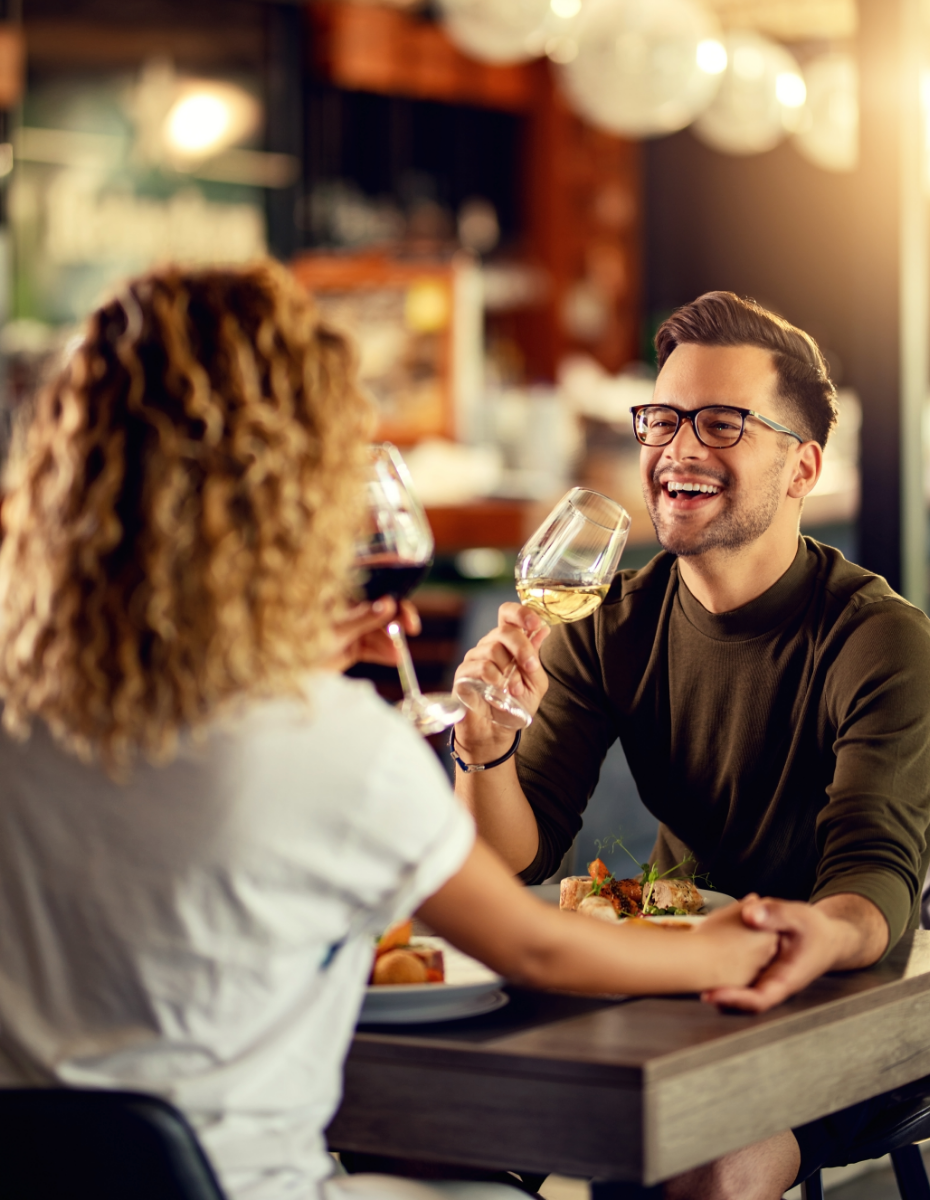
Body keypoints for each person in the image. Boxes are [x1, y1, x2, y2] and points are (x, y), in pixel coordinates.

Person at [0, 264, 775, 1200]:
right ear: (289, 485)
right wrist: (732, 944)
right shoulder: (327, 743)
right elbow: (535, 948)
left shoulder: (22, 705)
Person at [451, 290, 930, 1200]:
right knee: (444, 1128)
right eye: (662, 419)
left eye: (720, 423)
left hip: (840, 1003)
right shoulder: (608, 620)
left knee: (705, 1160)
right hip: (663, 990)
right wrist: (487, 750)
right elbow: (517, 853)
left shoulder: (880, 638)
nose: (677, 450)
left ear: (803, 469)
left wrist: (802, 932)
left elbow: (873, 885)